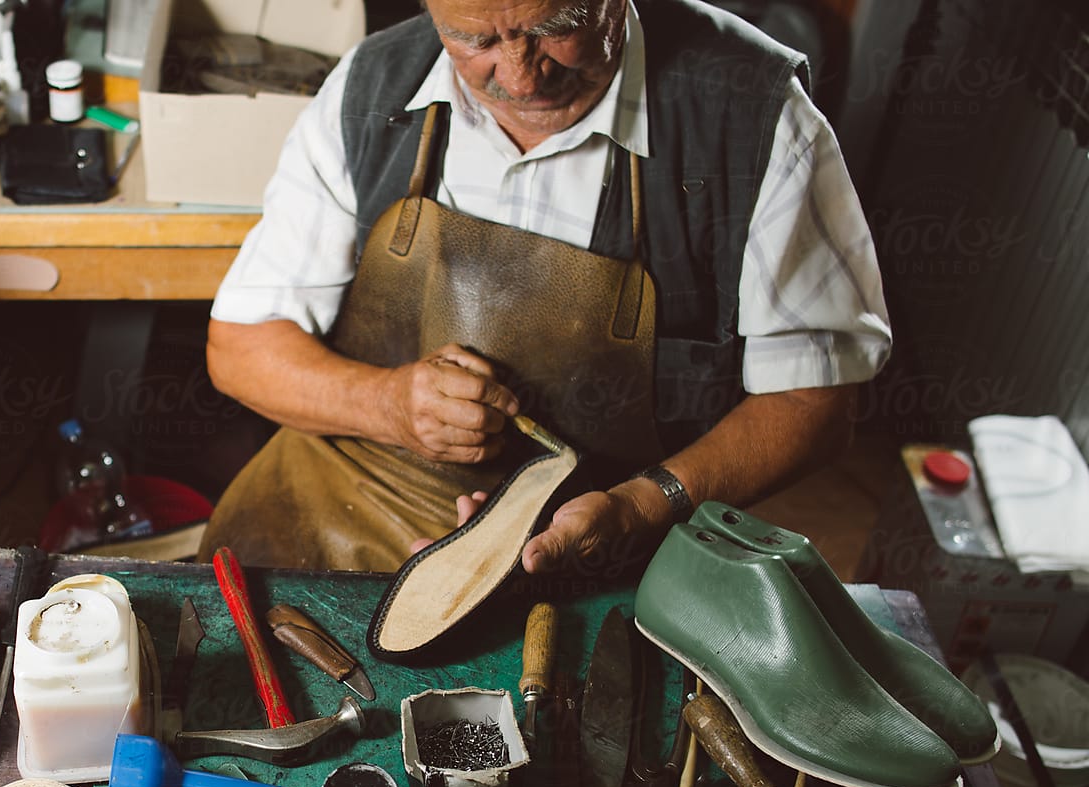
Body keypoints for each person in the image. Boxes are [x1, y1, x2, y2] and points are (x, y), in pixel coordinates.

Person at [201, 0, 890, 575]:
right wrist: (389, 404)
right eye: (475, 40)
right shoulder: (372, 89)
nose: (521, 77)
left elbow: (814, 400)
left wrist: (643, 505)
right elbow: (240, 348)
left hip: (601, 531)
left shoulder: (750, 117)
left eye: (553, 25)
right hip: (343, 497)